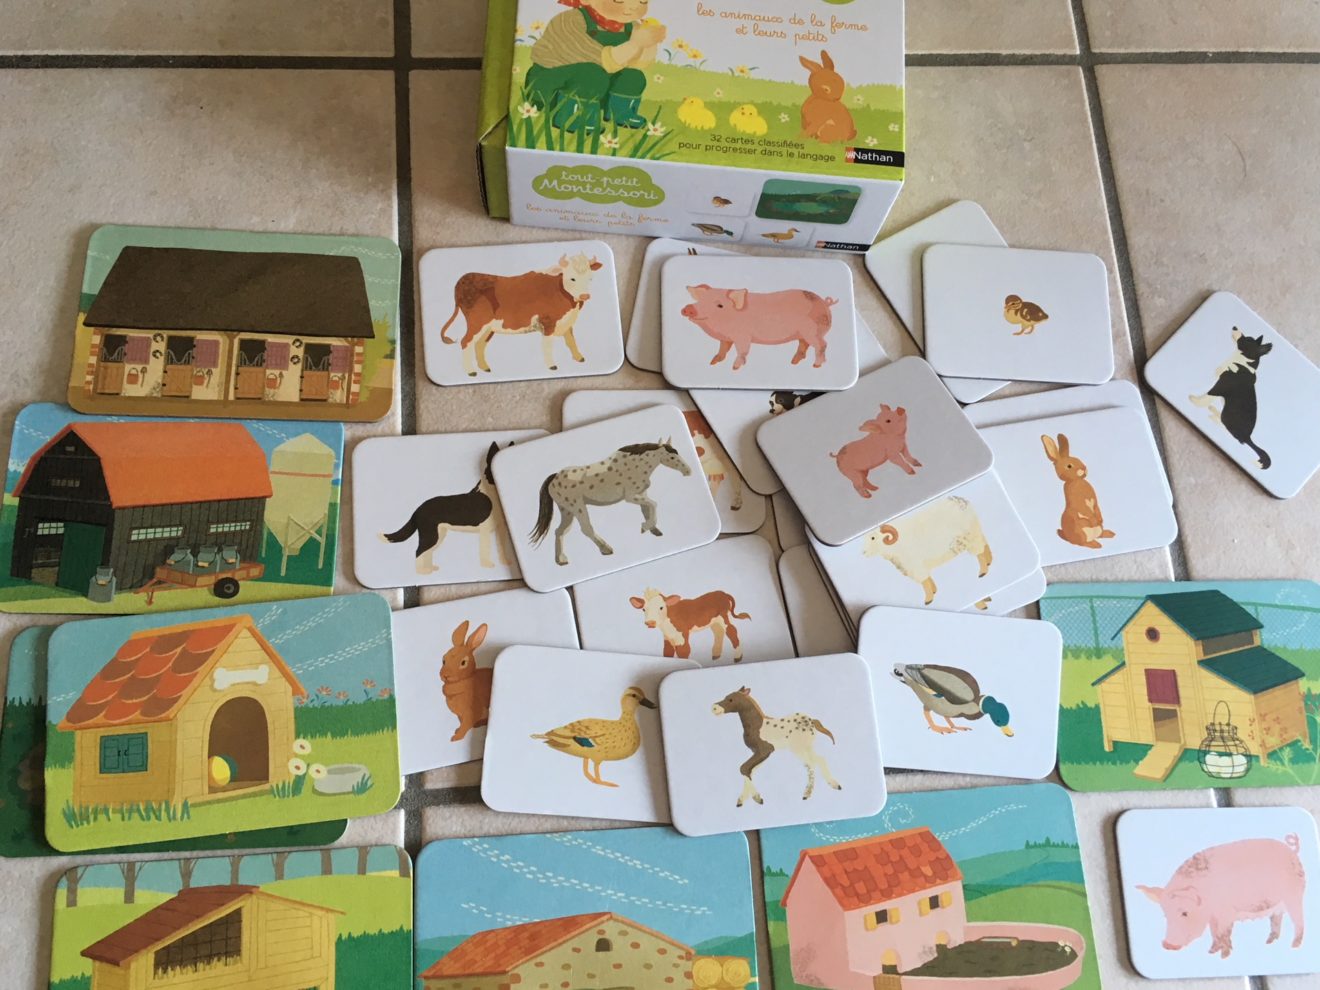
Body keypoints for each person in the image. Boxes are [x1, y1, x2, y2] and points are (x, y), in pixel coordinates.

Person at [526, 0, 666, 131]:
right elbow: (601, 59)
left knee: (633, 76)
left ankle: (621, 113)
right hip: (552, 87)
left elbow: (637, 64)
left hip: (598, 91)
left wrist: (650, 43)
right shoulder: (570, 20)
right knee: (591, 74)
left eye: (642, 1)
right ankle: (573, 118)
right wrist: (635, 44)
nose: (634, 6)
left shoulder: (632, 27)